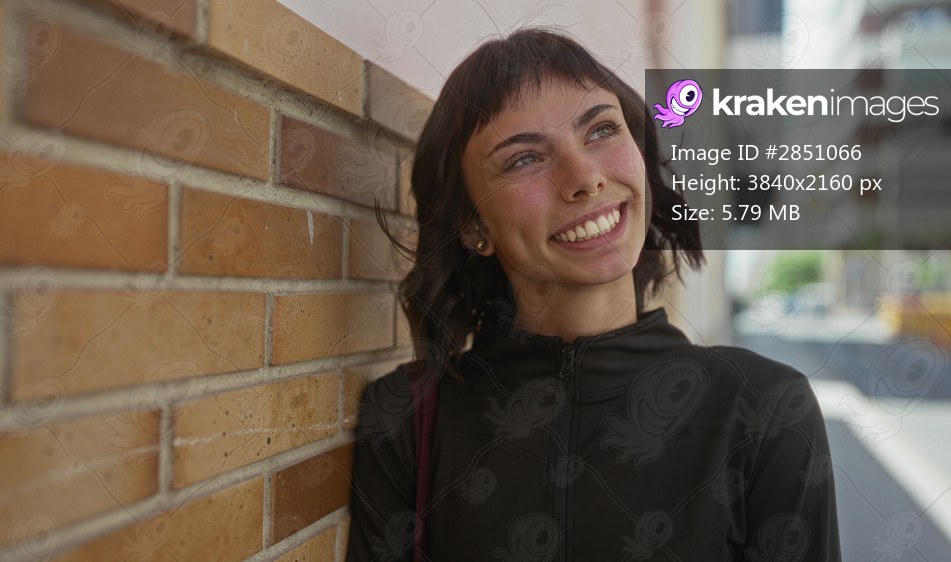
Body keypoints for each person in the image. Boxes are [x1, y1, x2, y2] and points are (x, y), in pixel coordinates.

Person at [346, 28, 841, 561]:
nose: (585, 177)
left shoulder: (767, 410)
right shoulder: (406, 419)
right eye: (523, 159)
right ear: (472, 226)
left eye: (602, 129)